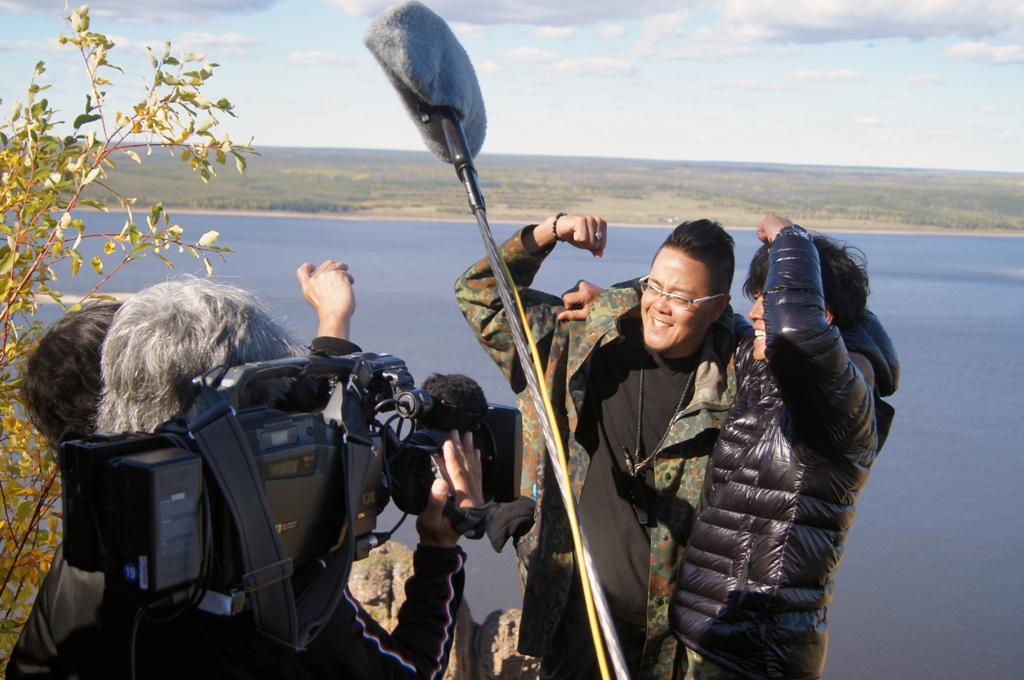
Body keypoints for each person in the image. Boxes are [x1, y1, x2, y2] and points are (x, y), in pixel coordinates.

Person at [10, 262, 483, 680]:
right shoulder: (274, 593)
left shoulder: (87, 555)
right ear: (242, 421)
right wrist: (440, 552)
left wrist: (334, 325)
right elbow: (413, 669)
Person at [455, 214, 744, 680]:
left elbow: (835, 383)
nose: (662, 306)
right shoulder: (581, 342)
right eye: (656, 287)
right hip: (577, 621)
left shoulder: (737, 386)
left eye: (683, 298)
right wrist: (549, 231)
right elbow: (478, 295)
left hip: (677, 646)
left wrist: (622, 297)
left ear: (717, 308)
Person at [669, 216, 899, 680]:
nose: (755, 311)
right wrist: (615, 303)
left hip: (755, 655)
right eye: (756, 298)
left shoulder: (842, 402)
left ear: (824, 318)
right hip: (716, 638)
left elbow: (796, 329)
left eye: (767, 300)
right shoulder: (766, 368)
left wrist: (792, 239)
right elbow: (713, 316)